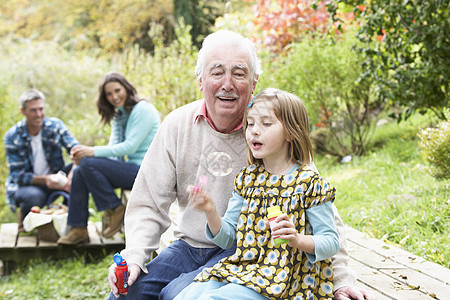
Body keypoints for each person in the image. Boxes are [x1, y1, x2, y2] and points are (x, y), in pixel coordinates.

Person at [107, 30, 376, 300]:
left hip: (247, 251)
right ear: (200, 80)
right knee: (126, 295)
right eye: (217, 72)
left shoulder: (274, 132)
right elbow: (148, 203)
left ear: (253, 82)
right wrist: (134, 256)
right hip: (189, 246)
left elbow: (321, 211)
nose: (228, 84)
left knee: (178, 295)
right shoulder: (177, 125)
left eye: (239, 73)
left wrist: (341, 280)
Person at [177, 88, 340, 299]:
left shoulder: (308, 184)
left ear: (291, 132)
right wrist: (210, 211)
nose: (254, 130)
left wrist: (297, 240)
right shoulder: (247, 180)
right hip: (246, 270)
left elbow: (331, 242)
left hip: (285, 282)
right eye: (250, 124)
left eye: (266, 123)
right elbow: (228, 239)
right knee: (187, 295)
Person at [57, 71, 161, 245]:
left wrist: (91, 152)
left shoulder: (142, 109)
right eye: (109, 94)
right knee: (81, 169)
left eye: (117, 90)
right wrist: (84, 159)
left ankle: (113, 207)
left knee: (88, 162)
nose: (114, 96)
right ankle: (78, 228)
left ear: (127, 88)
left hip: (147, 172)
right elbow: (114, 149)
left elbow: (130, 147)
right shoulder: (120, 114)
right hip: (132, 169)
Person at [4, 89, 78, 231]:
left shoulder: (55, 126)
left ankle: (71, 222)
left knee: (81, 172)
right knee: (34, 196)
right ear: (23, 111)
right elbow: (17, 176)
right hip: (27, 185)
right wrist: (46, 179)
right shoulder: (12, 136)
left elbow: (77, 150)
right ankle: (25, 223)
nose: (38, 114)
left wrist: (73, 172)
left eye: (41, 109)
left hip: (56, 178)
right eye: (33, 110)